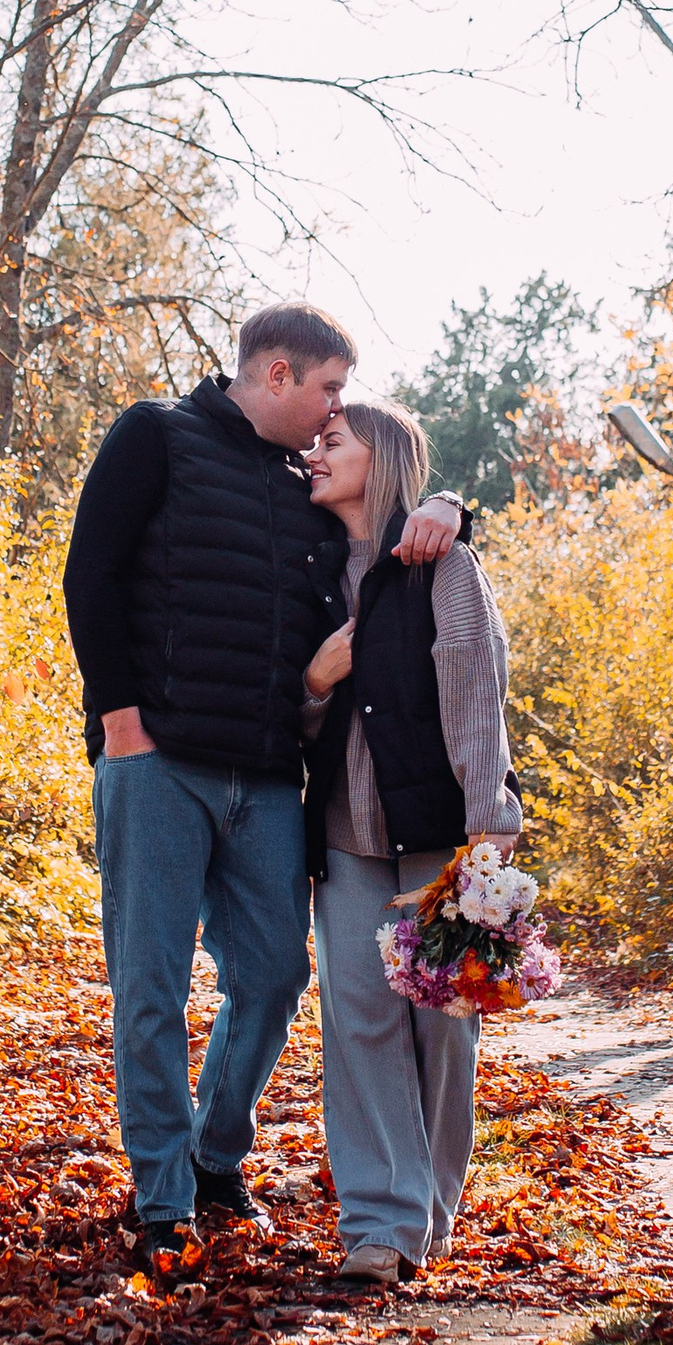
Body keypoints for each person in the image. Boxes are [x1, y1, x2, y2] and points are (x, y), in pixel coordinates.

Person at [62, 304, 465, 1280]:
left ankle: (214, 1151)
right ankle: (164, 1200)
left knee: (277, 976)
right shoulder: (156, 433)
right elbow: (90, 573)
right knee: (152, 986)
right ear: (277, 373)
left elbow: (386, 522)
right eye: (328, 389)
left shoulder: (304, 482)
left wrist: (452, 505)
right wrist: (121, 723)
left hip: (271, 778)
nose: (335, 410)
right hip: (158, 763)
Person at [300, 394, 519, 1293]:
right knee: (360, 1023)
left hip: (441, 833)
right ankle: (379, 1225)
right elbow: (286, 714)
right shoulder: (307, 568)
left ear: (381, 458)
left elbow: (476, 695)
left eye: (333, 440)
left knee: (442, 1026)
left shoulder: (445, 566)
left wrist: (490, 824)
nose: (315, 454)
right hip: (345, 837)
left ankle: (428, 1210)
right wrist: (316, 682)